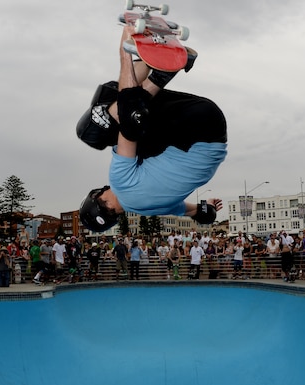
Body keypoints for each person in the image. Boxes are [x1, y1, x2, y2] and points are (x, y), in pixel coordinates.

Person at [78, 25, 226, 233]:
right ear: (100, 198)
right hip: (190, 129)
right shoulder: (120, 183)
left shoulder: (155, 208)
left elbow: (200, 214)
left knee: (120, 107)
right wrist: (125, 47)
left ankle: (158, 67)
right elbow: (128, 120)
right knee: (94, 129)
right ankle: (160, 69)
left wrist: (209, 207)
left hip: (213, 128)